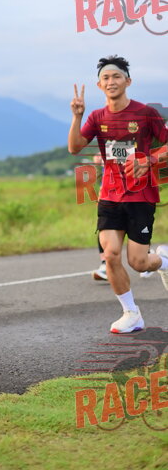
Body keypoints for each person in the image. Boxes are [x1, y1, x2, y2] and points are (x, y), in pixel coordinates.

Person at [69, 55, 168, 333]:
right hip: (110, 196)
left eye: (116, 76)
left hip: (141, 196)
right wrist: (77, 117)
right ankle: (131, 313)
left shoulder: (145, 114)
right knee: (111, 254)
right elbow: (75, 147)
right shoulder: (96, 117)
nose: (110, 81)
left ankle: (163, 261)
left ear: (128, 81)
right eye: (105, 78)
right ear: (99, 85)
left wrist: (150, 160)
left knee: (139, 262)